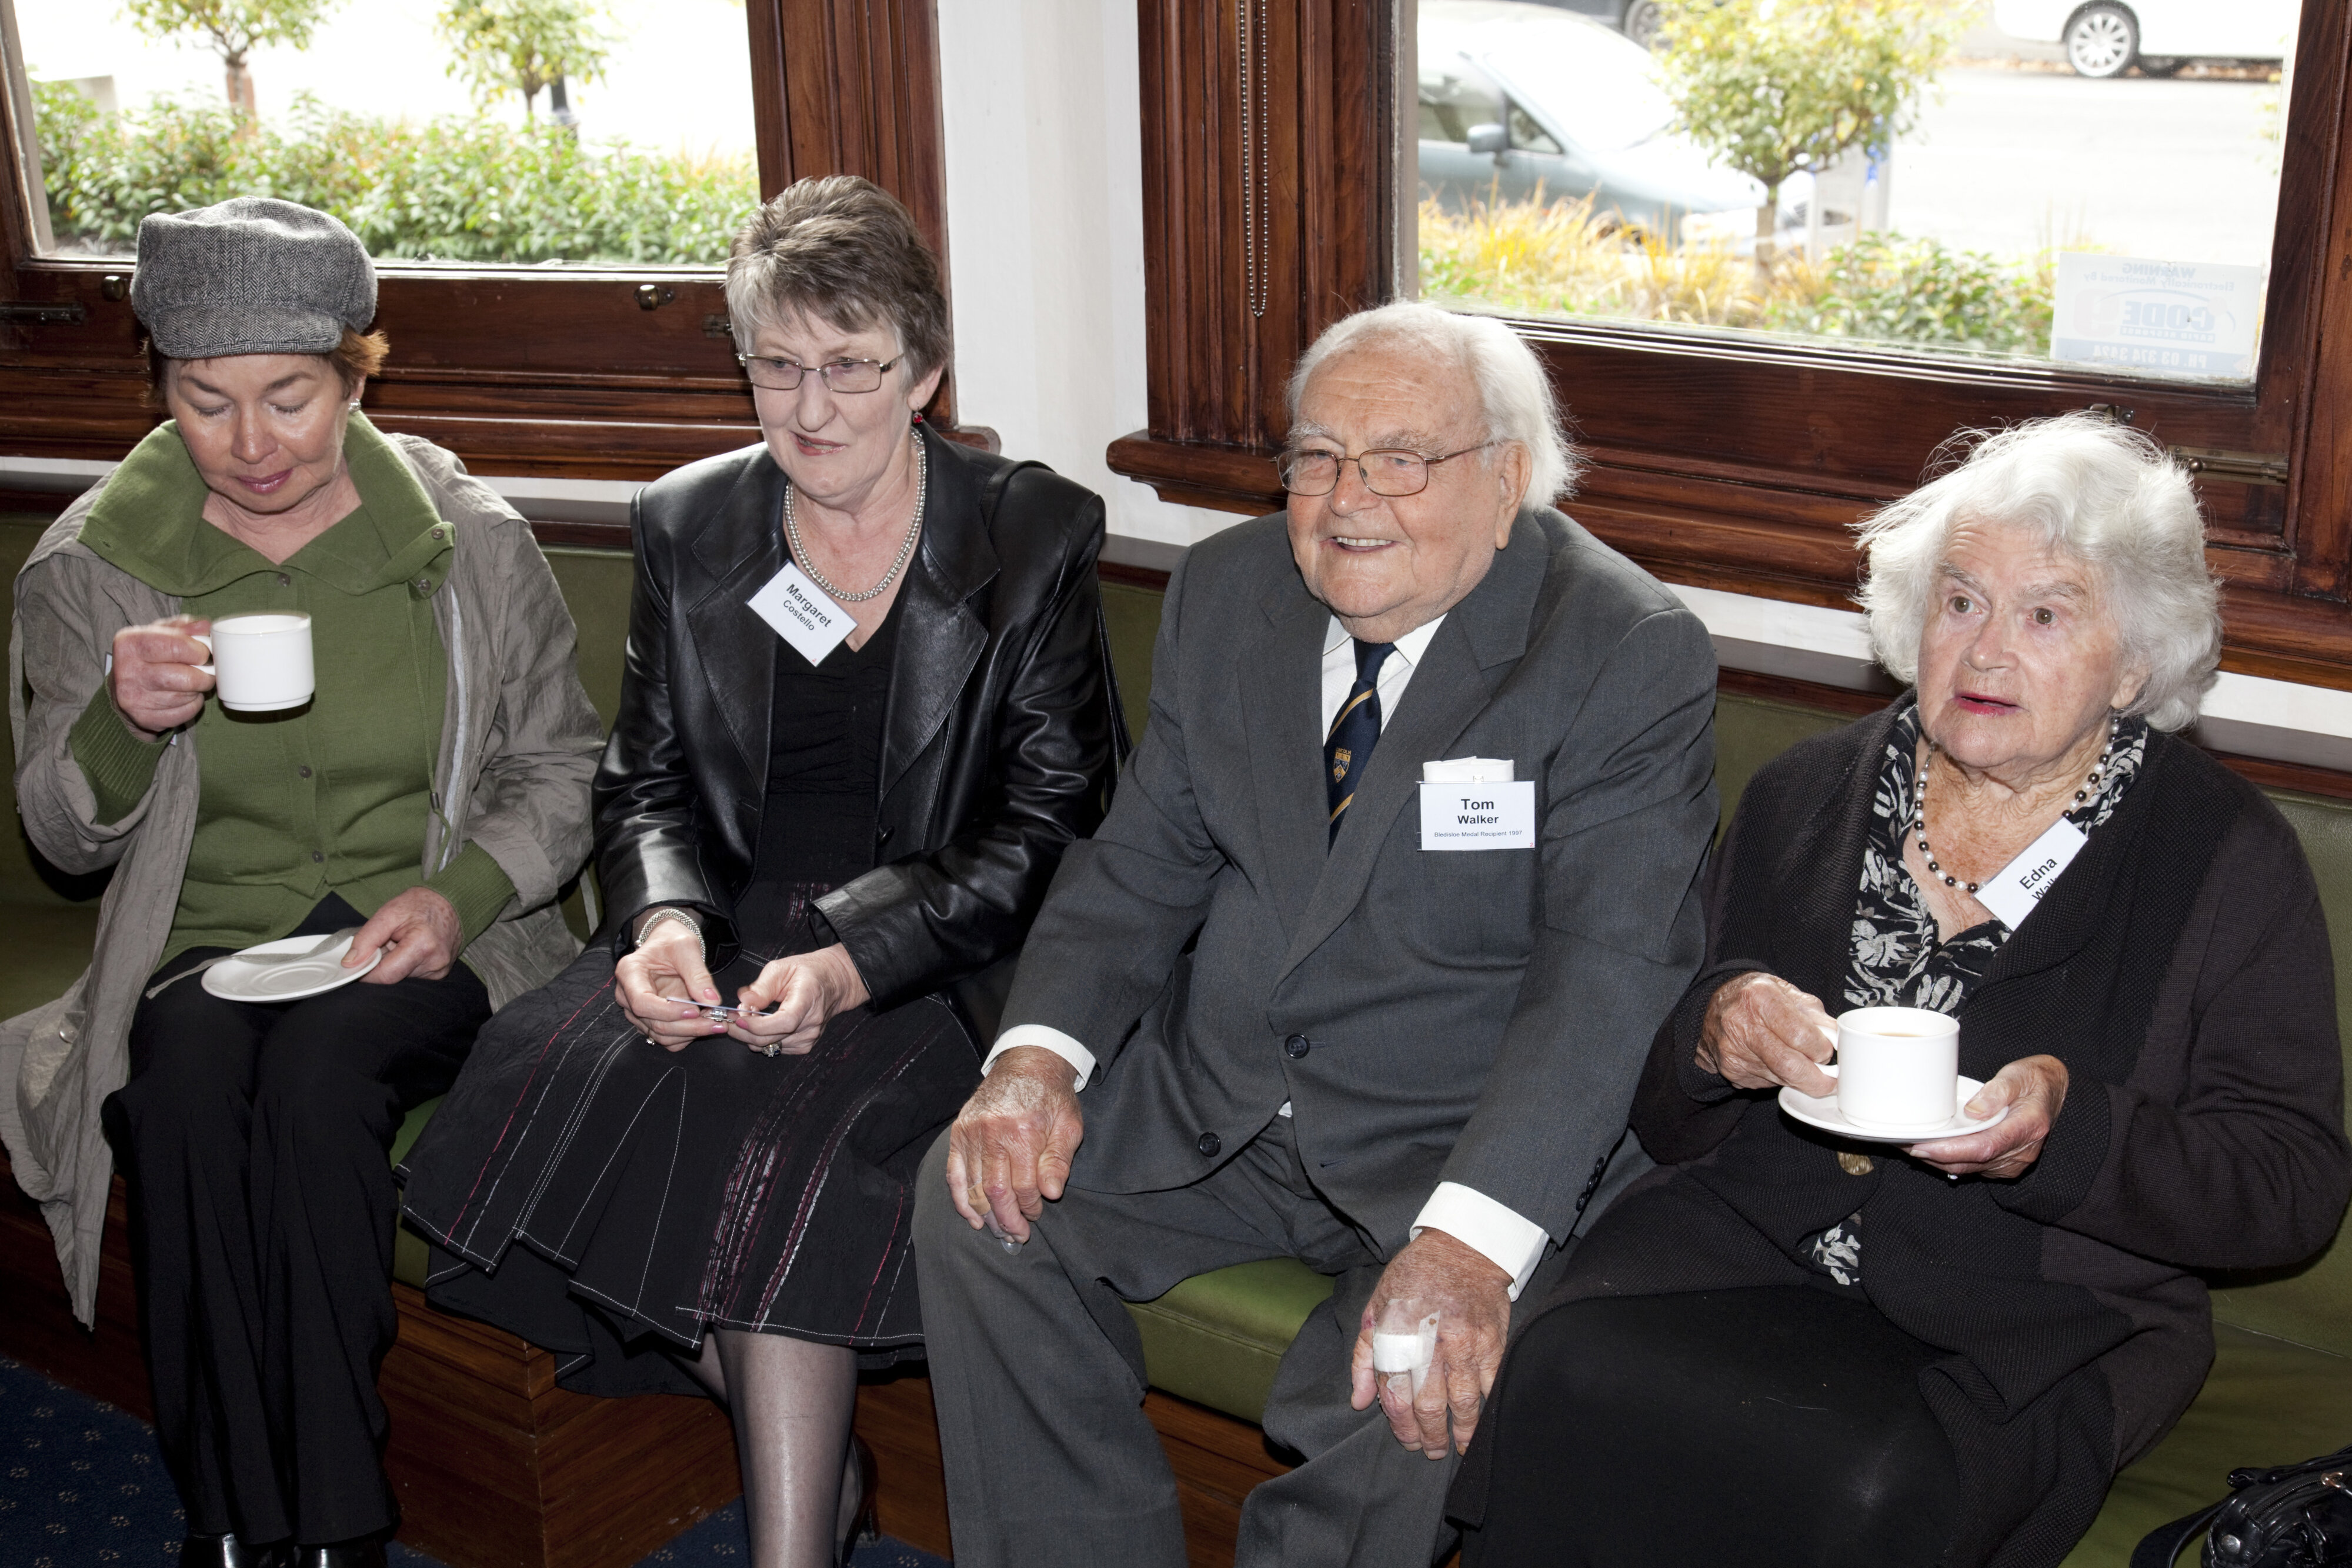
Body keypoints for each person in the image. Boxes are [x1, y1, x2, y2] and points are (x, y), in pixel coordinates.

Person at [1447, 412, 2352, 1568]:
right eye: (1959, 601)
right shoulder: (1801, 795)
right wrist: (1713, 1031)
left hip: (2035, 1321)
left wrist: (2068, 1137)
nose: (1982, 652)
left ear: (2133, 659)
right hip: (1740, 1247)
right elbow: (1663, 1121)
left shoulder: (2223, 856)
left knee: (1864, 1482)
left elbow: (2288, 1186)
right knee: (1564, 1366)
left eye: (2044, 614)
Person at [912, 299, 1721, 1568]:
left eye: (1402, 457)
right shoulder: (1230, 592)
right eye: (1314, 457)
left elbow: (1603, 978)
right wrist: (1033, 1065)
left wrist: (1464, 1243)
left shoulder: (1618, 649)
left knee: (1420, 1366)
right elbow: (1141, 865)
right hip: (1221, 1103)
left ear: (1505, 476)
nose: (1350, 498)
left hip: (1448, 1143)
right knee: (979, 1205)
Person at [397, 175, 1123, 1568]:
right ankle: (820, 1473)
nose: (808, 410)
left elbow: (1050, 823)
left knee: (775, 1129)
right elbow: (645, 779)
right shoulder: (691, 522)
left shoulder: (1025, 535)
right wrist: (659, 919)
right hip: (732, 918)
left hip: (939, 949)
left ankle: (791, 1546)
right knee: (564, 1072)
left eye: (849, 368)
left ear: (921, 371)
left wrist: (856, 956)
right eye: (776, 366)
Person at [0, 198, 605, 1568]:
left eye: (291, 397)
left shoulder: (464, 543)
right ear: (161, 385)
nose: (253, 444)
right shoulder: (93, 564)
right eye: (207, 402)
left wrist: (457, 890)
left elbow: (565, 768)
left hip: (430, 929)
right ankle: (232, 1520)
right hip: (199, 940)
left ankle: (334, 1529)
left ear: (355, 374)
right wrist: (119, 718)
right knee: (185, 1089)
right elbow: (64, 836)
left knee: (326, 1075)